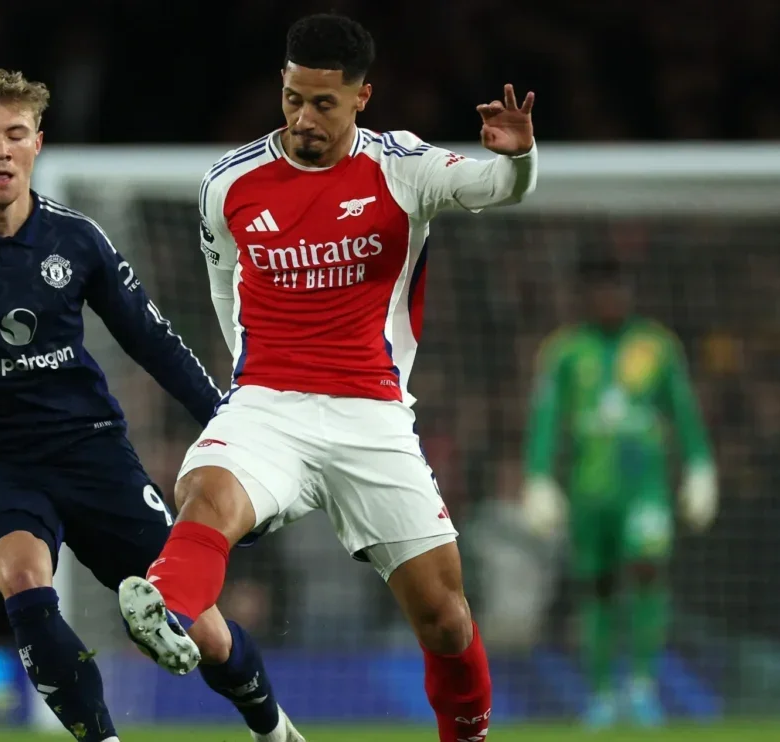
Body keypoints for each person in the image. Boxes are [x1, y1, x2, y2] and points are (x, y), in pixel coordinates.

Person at [116, 13, 537, 742]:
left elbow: (501, 186)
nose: (303, 118)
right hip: (267, 404)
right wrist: (251, 383)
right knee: (204, 494)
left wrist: (519, 157)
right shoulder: (229, 182)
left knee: (445, 618)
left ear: (361, 97)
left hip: (370, 412)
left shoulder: (401, 167)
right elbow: (226, 290)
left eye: (323, 103)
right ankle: (166, 607)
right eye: (292, 99)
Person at [0, 68, 302, 742]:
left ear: (37, 144)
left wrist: (229, 427)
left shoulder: (77, 239)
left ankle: (273, 729)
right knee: (22, 578)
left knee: (203, 629)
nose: (0, 150)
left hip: (92, 451)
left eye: (15, 134)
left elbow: (156, 342)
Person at [522, 256, 717, 728]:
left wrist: (700, 466)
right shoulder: (566, 351)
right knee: (599, 585)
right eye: (602, 289)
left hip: (644, 487)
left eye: (619, 288)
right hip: (590, 490)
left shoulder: (657, 346)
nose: (612, 298)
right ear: (587, 296)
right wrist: (538, 476)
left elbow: (683, 409)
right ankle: (601, 694)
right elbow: (547, 415)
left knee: (648, 567)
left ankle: (644, 686)